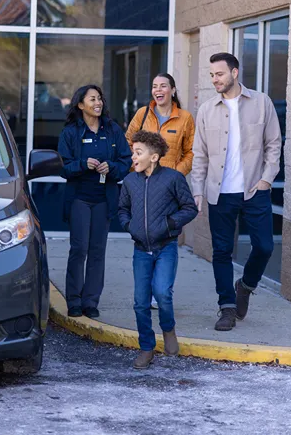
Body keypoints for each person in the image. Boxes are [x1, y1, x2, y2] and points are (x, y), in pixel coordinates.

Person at [191, 52, 282, 332]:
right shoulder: (207, 109)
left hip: (255, 190)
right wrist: (197, 190)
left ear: (234, 73)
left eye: (219, 74)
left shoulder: (261, 102)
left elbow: (274, 144)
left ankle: (246, 285)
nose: (214, 79)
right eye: (211, 75)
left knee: (265, 246)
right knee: (221, 252)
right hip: (219, 193)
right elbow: (200, 155)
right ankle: (227, 308)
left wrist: (267, 179)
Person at [118, 130, 198, 369]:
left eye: (138, 152)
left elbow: (189, 208)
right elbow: (122, 209)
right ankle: (146, 348)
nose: (134, 157)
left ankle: (168, 329)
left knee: (162, 293)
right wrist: (129, 226)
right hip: (141, 249)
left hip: (166, 247)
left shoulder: (173, 178)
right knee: (140, 302)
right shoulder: (131, 180)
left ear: (154, 157)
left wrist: (169, 224)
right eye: (133, 152)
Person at [58, 84, 133, 318]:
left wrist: (111, 168)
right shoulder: (71, 132)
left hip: (104, 199)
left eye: (99, 98)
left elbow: (125, 161)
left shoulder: (112, 130)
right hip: (79, 198)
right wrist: (83, 164)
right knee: (79, 249)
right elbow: (63, 167)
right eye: (92, 99)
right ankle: (74, 300)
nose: (97, 103)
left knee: (97, 250)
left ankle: (91, 301)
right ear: (80, 104)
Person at [125, 72, 196, 310]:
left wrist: (176, 173)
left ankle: (163, 288)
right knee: (146, 231)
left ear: (173, 90)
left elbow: (191, 151)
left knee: (167, 234)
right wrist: (136, 167)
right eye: (155, 86)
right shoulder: (142, 114)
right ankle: (149, 288)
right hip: (144, 184)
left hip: (170, 188)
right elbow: (128, 142)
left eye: (163, 86)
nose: (159, 90)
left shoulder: (185, 118)